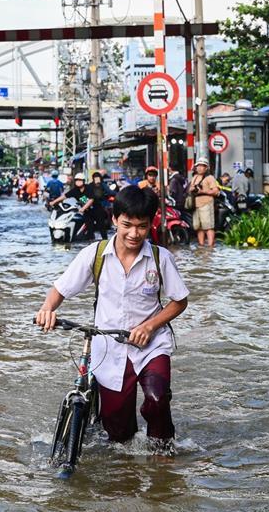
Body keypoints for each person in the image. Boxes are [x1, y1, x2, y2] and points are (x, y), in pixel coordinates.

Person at [34, 185, 189, 450]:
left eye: (141, 226)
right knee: (118, 433)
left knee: (157, 398)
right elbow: (60, 290)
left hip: (152, 345)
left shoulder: (159, 258)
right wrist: (47, 308)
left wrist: (150, 326)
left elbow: (179, 301)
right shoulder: (94, 255)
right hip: (108, 347)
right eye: (127, 224)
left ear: (150, 224)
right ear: (115, 219)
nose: (133, 233)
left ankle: (162, 452)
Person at [188, 157, 220, 247]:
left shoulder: (210, 178)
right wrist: (192, 189)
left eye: (202, 166)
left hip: (206, 203)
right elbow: (190, 189)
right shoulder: (194, 177)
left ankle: (210, 246)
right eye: (198, 166)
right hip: (196, 205)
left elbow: (216, 191)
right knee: (198, 227)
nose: (200, 168)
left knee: (208, 226)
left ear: (206, 168)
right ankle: (201, 245)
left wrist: (203, 191)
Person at [83, 171, 112, 239]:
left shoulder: (98, 185)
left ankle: (92, 239)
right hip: (94, 208)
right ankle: (101, 239)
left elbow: (109, 192)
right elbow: (109, 192)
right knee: (98, 226)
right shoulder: (100, 185)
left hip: (94, 208)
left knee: (95, 226)